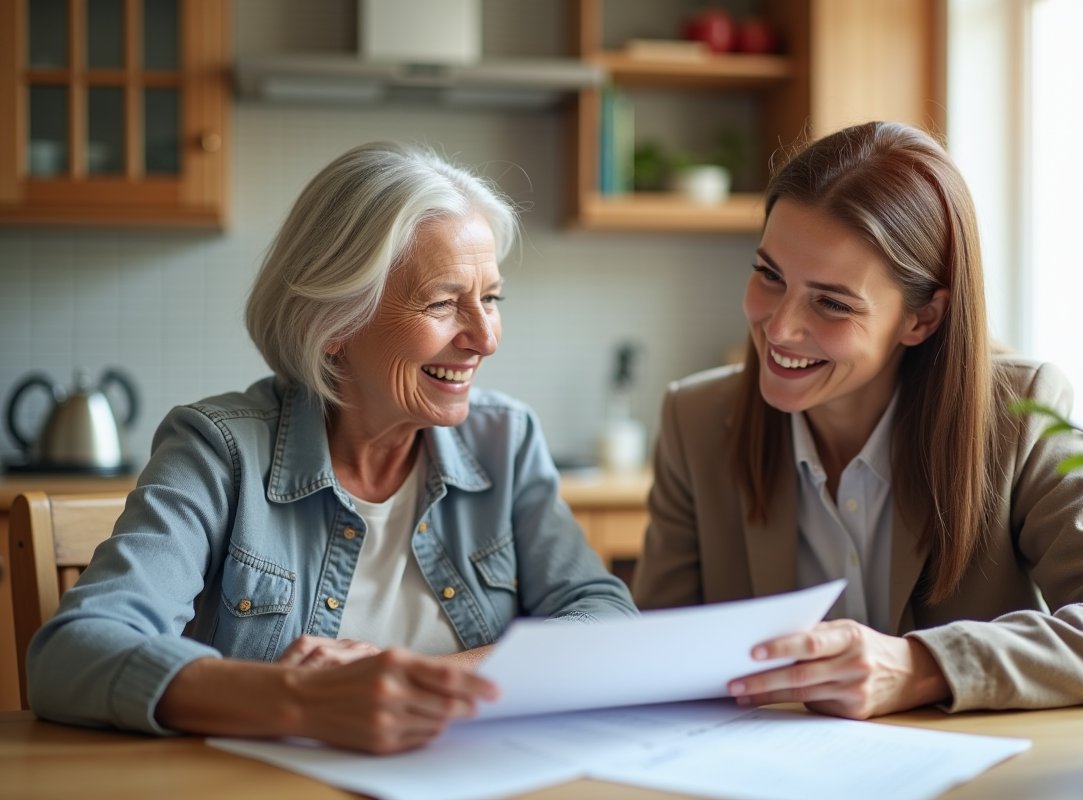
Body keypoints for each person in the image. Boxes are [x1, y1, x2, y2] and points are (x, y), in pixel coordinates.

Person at [28, 142, 637, 753]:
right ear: (332, 323)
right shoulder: (218, 452)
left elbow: (607, 621)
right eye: (443, 303)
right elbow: (72, 652)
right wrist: (303, 700)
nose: (485, 338)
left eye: (492, 298)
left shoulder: (506, 440)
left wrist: (421, 681)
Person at [632, 121, 1083, 720]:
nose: (779, 328)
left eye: (832, 302)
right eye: (770, 275)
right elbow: (657, 656)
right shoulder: (696, 419)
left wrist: (922, 666)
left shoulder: (1017, 415)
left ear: (922, 318)